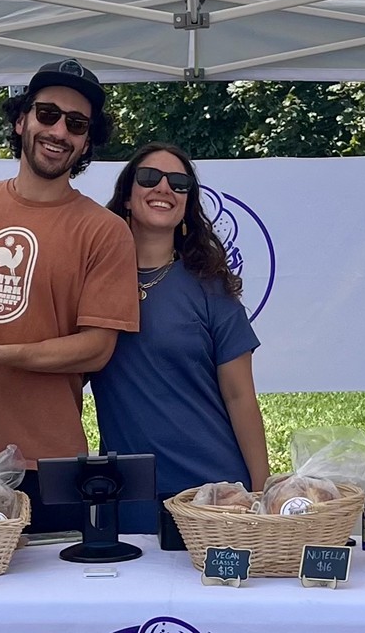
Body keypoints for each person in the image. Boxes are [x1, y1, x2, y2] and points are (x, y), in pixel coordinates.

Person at [0, 59, 140, 532]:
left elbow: (97, 348)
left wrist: (0, 354)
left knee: (47, 605)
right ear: (21, 120)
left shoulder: (105, 231)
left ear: (86, 141)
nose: (59, 131)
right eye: (47, 114)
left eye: (76, 124)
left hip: (49, 463)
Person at [89, 142, 270, 541]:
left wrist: (261, 492)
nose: (164, 188)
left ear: (188, 205)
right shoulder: (90, 284)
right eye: (150, 178)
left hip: (215, 495)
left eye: (180, 183)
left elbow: (241, 397)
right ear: (127, 197)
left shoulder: (211, 289)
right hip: (128, 494)